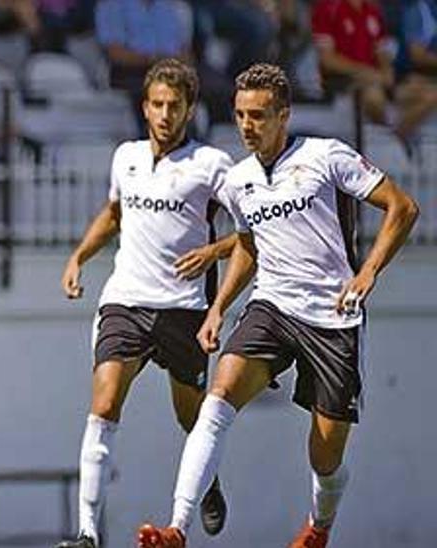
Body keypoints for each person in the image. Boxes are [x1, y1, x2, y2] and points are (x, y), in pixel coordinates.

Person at [136, 63, 420, 548]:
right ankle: (177, 527)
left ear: (284, 115)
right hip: (273, 305)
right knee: (219, 396)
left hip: (333, 314)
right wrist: (219, 307)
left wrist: (369, 270)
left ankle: (318, 526)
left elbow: (402, 206)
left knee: (325, 456)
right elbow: (248, 245)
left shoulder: (326, 156)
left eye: (259, 115)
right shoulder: (238, 179)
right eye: (241, 115)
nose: (248, 125)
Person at [55, 58, 235, 548]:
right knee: (104, 403)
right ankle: (88, 534)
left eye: (174, 106)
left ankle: (209, 481)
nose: (164, 114)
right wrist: (79, 256)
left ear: (189, 109)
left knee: (189, 417)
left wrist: (214, 251)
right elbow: (114, 213)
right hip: (126, 301)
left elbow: (252, 231)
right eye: (157, 104)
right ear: (144, 106)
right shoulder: (126, 156)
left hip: (184, 310)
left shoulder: (211, 165)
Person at [312, 0, 437, 141]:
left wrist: (387, 70)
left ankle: (400, 128)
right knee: (373, 95)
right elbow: (327, 60)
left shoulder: (372, 10)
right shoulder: (328, 8)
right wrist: (364, 72)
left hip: (376, 79)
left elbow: (382, 51)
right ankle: (393, 132)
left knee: (429, 91)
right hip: (344, 81)